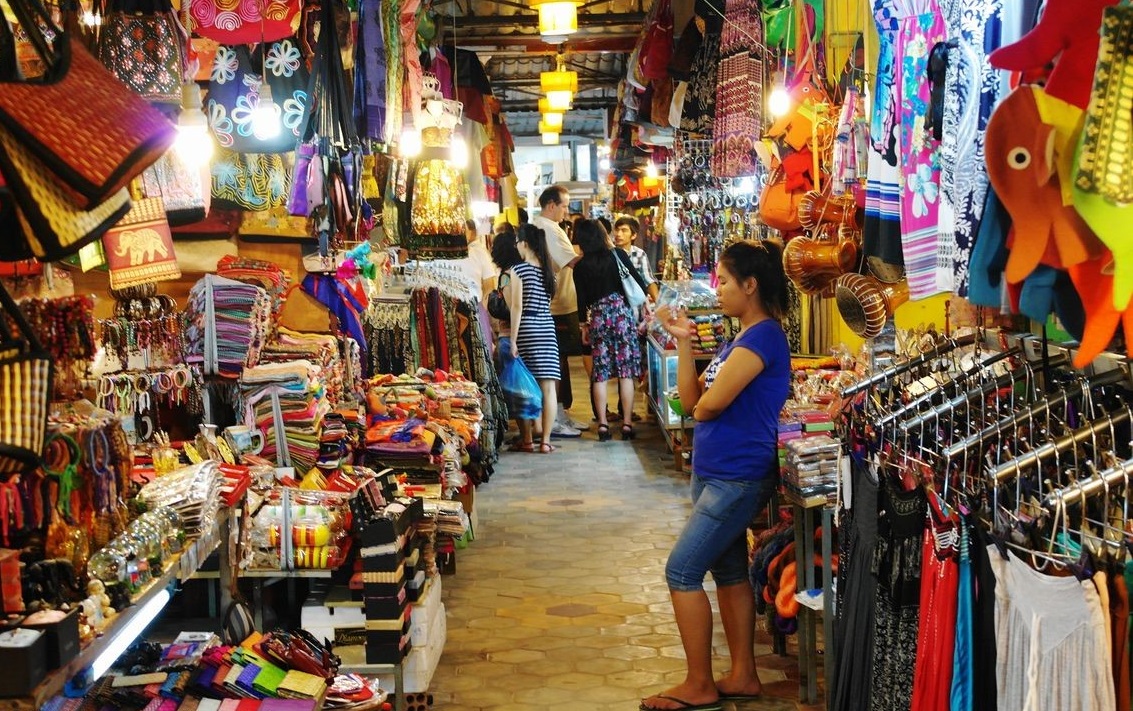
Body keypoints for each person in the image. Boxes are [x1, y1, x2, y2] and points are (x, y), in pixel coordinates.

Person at [642, 240, 791, 711]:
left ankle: (699, 683)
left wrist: (704, 404)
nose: (717, 290)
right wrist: (684, 339)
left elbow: (710, 405)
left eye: (724, 281)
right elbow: (689, 403)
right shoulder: (738, 339)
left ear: (751, 285)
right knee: (728, 571)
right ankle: (743, 674)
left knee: (681, 570)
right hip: (716, 472)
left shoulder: (764, 337)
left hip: (738, 475)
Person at [572, 219, 649, 441]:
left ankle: (603, 426)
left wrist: (583, 326)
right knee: (626, 373)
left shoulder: (580, 266)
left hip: (597, 318)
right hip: (622, 316)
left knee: (600, 373)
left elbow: (581, 301)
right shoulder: (618, 256)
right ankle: (626, 424)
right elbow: (639, 284)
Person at [531, 185, 589, 436]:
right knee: (555, 364)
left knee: (559, 363)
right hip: (557, 306)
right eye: (564, 205)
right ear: (551, 205)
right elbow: (573, 261)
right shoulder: (548, 229)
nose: (567, 211)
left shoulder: (543, 227)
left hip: (560, 303)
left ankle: (561, 414)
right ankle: (554, 418)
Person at [504, 224, 562, 454]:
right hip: (547, 326)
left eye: (518, 242)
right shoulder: (549, 271)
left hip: (527, 326)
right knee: (548, 388)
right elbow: (548, 303)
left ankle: (527, 439)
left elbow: (517, 307)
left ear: (524, 243)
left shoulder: (518, 270)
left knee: (523, 386)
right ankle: (545, 442)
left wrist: (514, 340)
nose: (517, 246)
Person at [613, 215, 659, 300]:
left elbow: (648, 280)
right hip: (615, 303)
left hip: (634, 302)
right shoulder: (610, 254)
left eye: (624, 230)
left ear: (633, 235)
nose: (618, 234)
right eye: (617, 230)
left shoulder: (639, 254)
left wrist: (659, 303)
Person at [459, 218, 497, 303]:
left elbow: (489, 286)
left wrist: (484, 308)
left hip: (477, 306)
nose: (460, 233)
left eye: (463, 230)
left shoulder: (479, 252)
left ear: (472, 232)